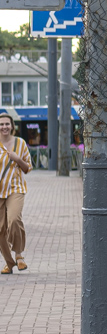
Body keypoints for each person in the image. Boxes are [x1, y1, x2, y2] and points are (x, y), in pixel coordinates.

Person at [0, 113, 32, 274]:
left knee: (13, 219)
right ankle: (9, 263)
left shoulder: (20, 143)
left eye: (7, 124)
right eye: (1, 124)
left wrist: (17, 159)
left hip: (15, 189)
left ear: (12, 126)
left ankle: (19, 255)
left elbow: (27, 168)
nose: (4, 127)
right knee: (0, 230)